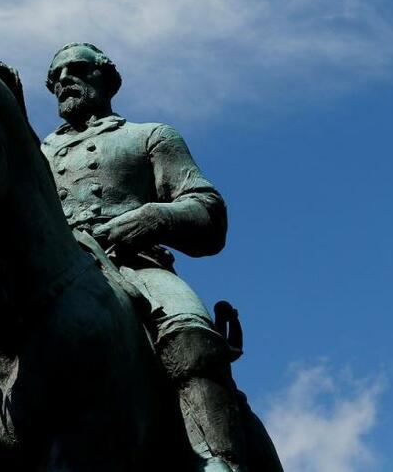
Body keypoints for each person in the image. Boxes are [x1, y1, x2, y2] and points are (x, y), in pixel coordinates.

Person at [41, 42, 248, 471]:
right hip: (48, 278)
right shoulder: (35, 155)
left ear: (106, 77)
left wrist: (151, 217)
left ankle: (216, 460)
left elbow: (208, 210)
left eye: (75, 69)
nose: (63, 80)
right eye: (54, 77)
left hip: (134, 267)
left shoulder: (150, 136)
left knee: (188, 330)